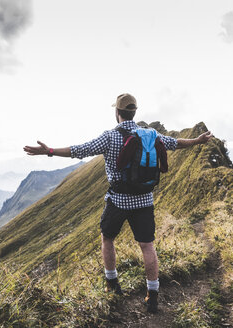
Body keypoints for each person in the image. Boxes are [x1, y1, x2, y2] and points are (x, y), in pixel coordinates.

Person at [23, 93, 213, 313]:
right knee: (147, 246)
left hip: (118, 200)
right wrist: (198, 140)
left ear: (117, 113)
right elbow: (176, 143)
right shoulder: (151, 134)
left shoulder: (110, 137)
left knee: (107, 238)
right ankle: (152, 295)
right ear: (134, 112)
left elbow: (79, 150)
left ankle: (112, 284)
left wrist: (50, 151)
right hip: (144, 200)